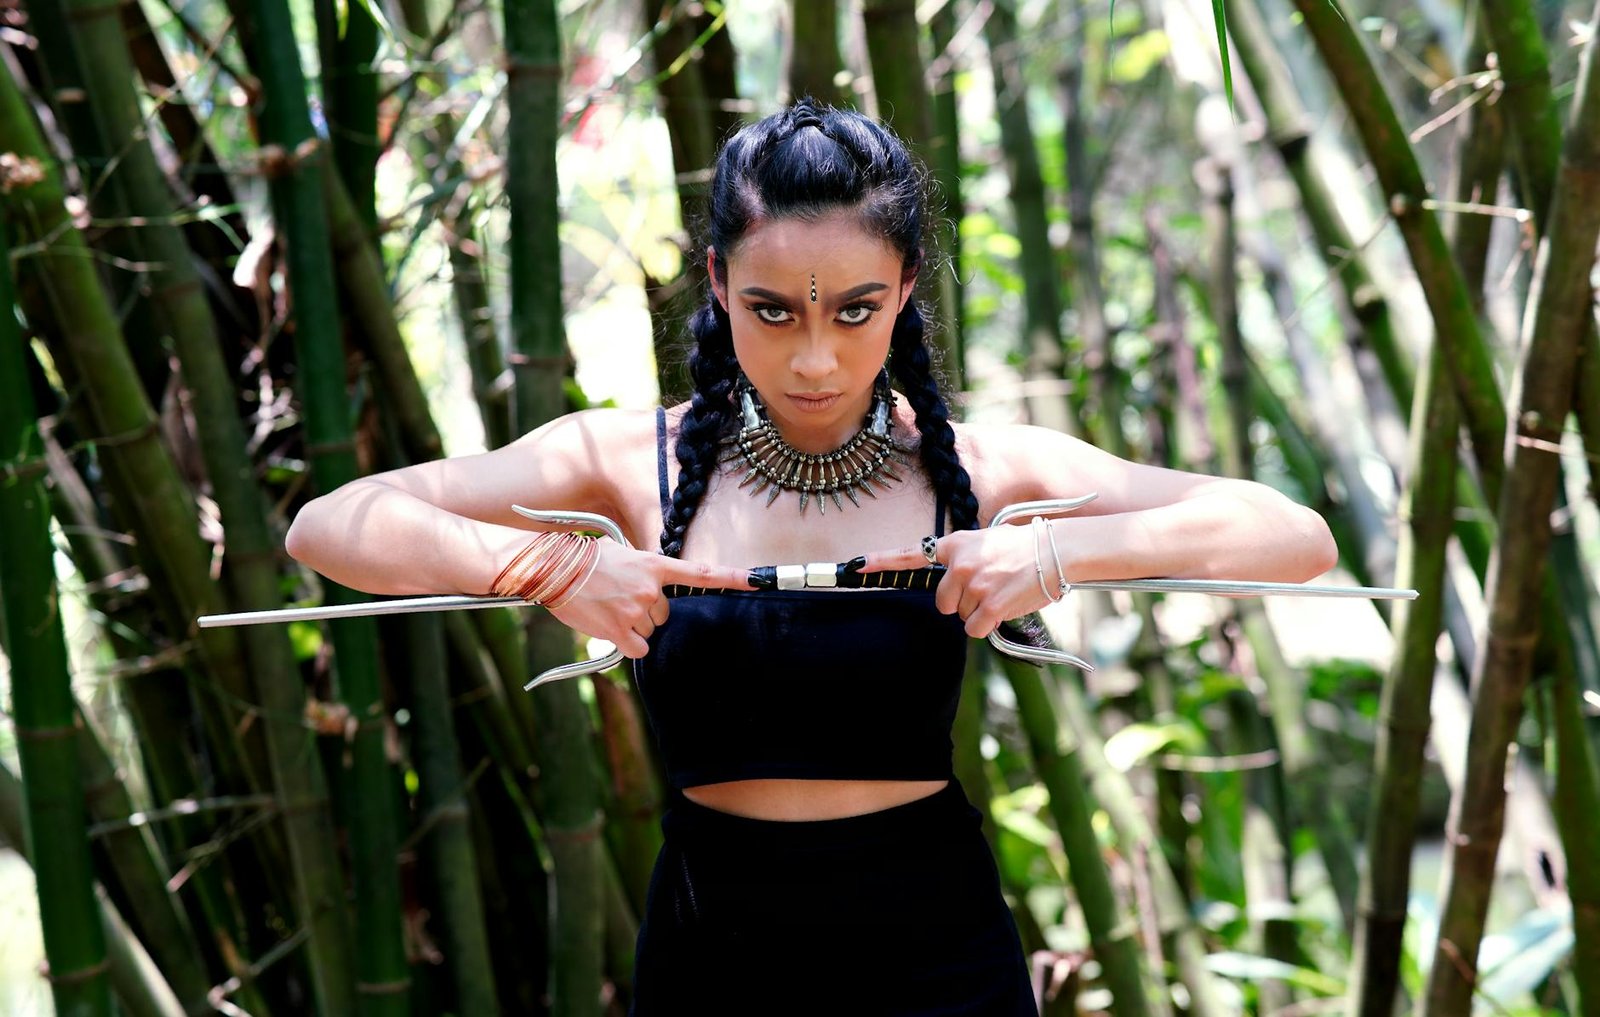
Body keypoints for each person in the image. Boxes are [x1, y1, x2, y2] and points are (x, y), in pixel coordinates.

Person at [285, 100, 1336, 1014]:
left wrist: (1059, 552)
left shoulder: (980, 466)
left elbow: (1293, 536)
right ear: (717, 281)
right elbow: (332, 523)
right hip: (712, 959)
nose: (816, 358)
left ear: (907, 286)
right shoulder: (626, 461)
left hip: (938, 957)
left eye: (855, 310)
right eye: (773, 311)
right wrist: (546, 569)